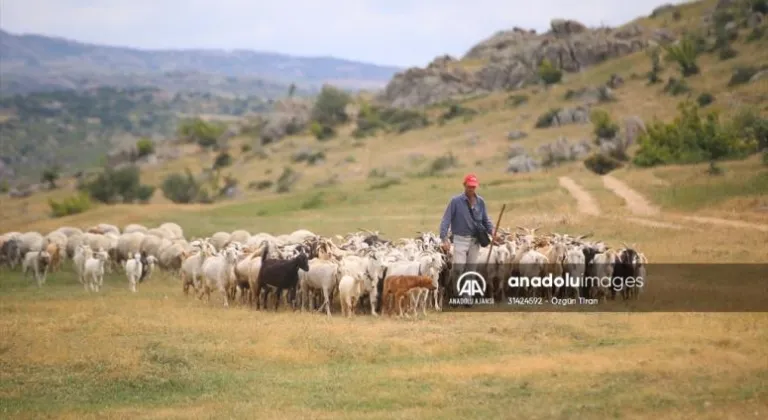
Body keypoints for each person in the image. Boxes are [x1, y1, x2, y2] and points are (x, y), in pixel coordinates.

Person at [439, 173, 498, 279]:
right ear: (464, 185)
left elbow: (485, 219)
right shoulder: (455, 201)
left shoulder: (480, 201)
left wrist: (492, 231)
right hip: (460, 239)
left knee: (471, 270)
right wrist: (444, 238)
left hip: (475, 240)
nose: (471, 189)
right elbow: (446, 220)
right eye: (469, 186)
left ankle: (467, 295)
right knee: (459, 269)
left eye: (473, 186)